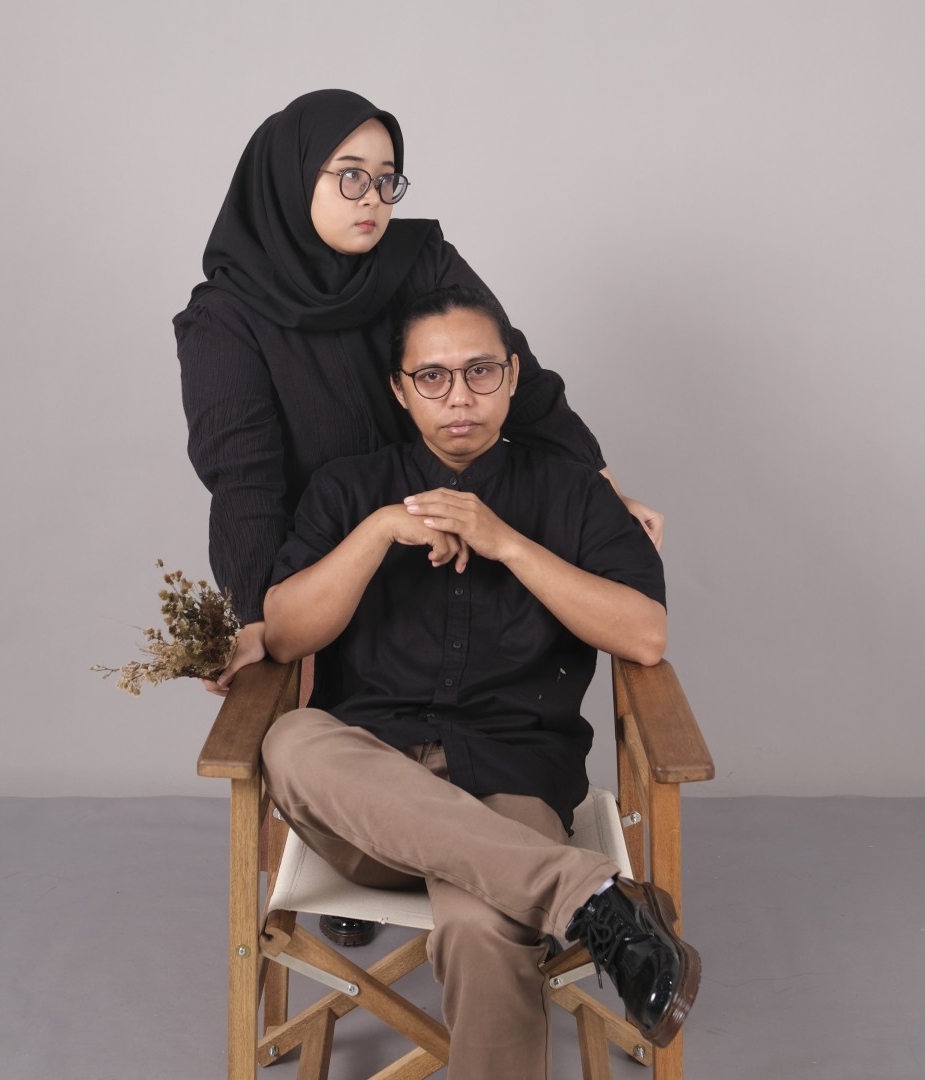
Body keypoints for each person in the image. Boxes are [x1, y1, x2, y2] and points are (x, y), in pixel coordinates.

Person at [175, 88, 663, 946]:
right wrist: (259, 615)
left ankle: (401, 836)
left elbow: (517, 374)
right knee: (316, 723)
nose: (372, 199)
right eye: (349, 176)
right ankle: (570, 892)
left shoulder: (420, 257)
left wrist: (603, 488)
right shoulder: (226, 316)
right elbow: (244, 481)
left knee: (465, 873)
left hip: (462, 522)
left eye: (386, 179)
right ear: (290, 179)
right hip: (338, 540)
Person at [259, 286, 700, 1079]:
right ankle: (588, 898)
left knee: (482, 925)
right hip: (366, 801)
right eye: (432, 377)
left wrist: (508, 545)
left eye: (480, 372)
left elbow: (645, 633)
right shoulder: (348, 489)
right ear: (400, 390)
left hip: (513, 781)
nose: (459, 397)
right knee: (292, 739)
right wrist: (378, 532)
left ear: (513, 375)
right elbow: (287, 635)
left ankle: (577, 900)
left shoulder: (572, 492)